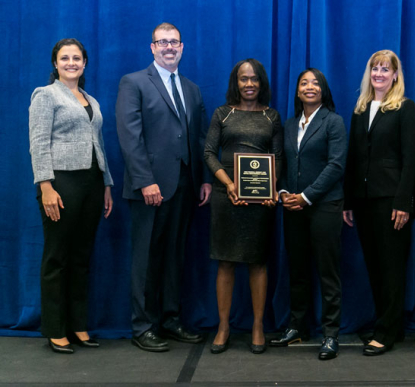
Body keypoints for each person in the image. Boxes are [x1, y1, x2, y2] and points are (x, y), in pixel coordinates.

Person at [116, 23, 212, 352]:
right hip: (150, 188)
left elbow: (200, 138)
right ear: (152, 47)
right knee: (146, 259)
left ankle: (171, 320)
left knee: (175, 257)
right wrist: (145, 181)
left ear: (182, 47)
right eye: (162, 42)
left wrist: (204, 179)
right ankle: (142, 326)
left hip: (185, 186)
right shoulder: (134, 83)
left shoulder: (192, 88)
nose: (169, 47)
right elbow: (130, 137)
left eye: (174, 42)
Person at [29, 38, 113, 354]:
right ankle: (54, 328)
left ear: (85, 63)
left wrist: (106, 185)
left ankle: (79, 325)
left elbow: (99, 146)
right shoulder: (45, 95)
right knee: (57, 256)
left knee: (81, 257)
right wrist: (45, 186)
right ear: (55, 63)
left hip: (92, 184)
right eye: (65, 58)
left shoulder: (91, 99)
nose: (71, 63)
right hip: (61, 183)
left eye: (76, 58)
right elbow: (38, 143)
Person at [343, 50, 415, 356]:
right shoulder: (360, 109)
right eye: (375, 68)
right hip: (362, 201)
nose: (379, 74)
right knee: (374, 265)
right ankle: (391, 325)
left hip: (391, 200)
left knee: (391, 267)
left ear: (395, 75)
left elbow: (411, 159)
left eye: (385, 69)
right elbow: (353, 157)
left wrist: (404, 203)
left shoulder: (405, 108)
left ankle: (386, 332)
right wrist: (348, 200)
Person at [204, 58, 282, 355]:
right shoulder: (222, 114)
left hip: (260, 199)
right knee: (225, 261)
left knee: (257, 262)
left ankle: (258, 326)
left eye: (254, 79)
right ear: (235, 83)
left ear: (261, 82)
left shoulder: (271, 117)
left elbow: (278, 158)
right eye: (243, 79)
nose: (249, 84)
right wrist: (229, 184)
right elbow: (209, 153)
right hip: (227, 196)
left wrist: (271, 189)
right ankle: (223, 326)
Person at [269, 69, 347, 361]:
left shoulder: (334, 122)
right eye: (304, 83)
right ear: (298, 91)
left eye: (315, 83)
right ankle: (297, 326)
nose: (309, 87)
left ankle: (330, 334)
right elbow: (285, 165)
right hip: (292, 207)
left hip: (324, 206)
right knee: (297, 269)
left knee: (328, 272)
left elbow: (336, 166)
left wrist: (306, 196)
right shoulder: (289, 125)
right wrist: (283, 193)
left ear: (323, 90)